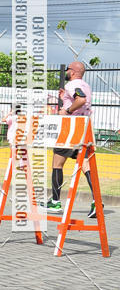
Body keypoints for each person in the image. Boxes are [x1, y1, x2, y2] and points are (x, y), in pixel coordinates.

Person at [46, 60, 99, 218]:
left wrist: (67, 110)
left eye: (68, 69)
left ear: (74, 71)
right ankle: (97, 201)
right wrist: (65, 99)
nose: (66, 71)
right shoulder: (86, 86)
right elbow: (83, 101)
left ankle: (55, 201)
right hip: (84, 128)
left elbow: (80, 100)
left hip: (71, 129)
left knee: (57, 162)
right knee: (85, 164)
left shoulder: (72, 85)